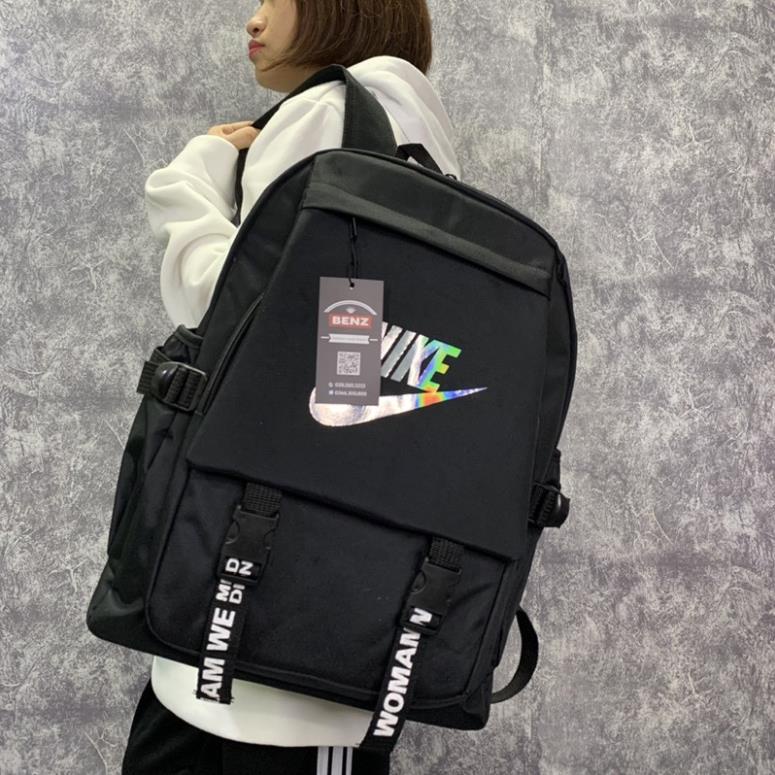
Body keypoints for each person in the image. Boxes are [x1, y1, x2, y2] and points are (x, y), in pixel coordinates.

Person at [122, 0, 462, 772]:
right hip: (325, 589)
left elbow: (231, 312)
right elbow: (345, 353)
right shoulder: (412, 135)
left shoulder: (327, 113)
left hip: (264, 608)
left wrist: (193, 171)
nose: (253, 20)